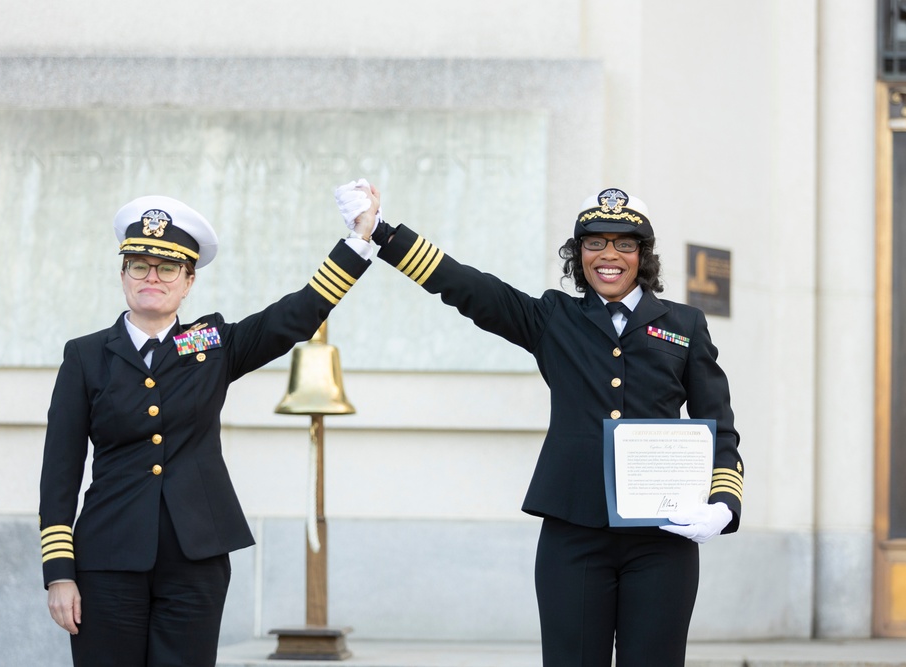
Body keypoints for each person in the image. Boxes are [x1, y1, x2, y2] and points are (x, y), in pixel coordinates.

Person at [334, 181, 743, 667]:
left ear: (643, 255)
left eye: (623, 244)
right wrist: (381, 232)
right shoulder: (554, 317)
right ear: (578, 254)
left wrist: (723, 503)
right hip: (574, 533)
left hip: (662, 538)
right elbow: (467, 286)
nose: (608, 256)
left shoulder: (685, 323)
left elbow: (718, 424)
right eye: (594, 243)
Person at [38, 191, 378, 667]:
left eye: (167, 268)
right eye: (139, 265)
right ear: (122, 276)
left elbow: (295, 315)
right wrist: (59, 572)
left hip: (194, 562)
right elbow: (59, 472)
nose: (151, 277)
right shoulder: (85, 355)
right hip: (107, 561)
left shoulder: (211, 344)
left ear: (189, 280)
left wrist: (358, 240)